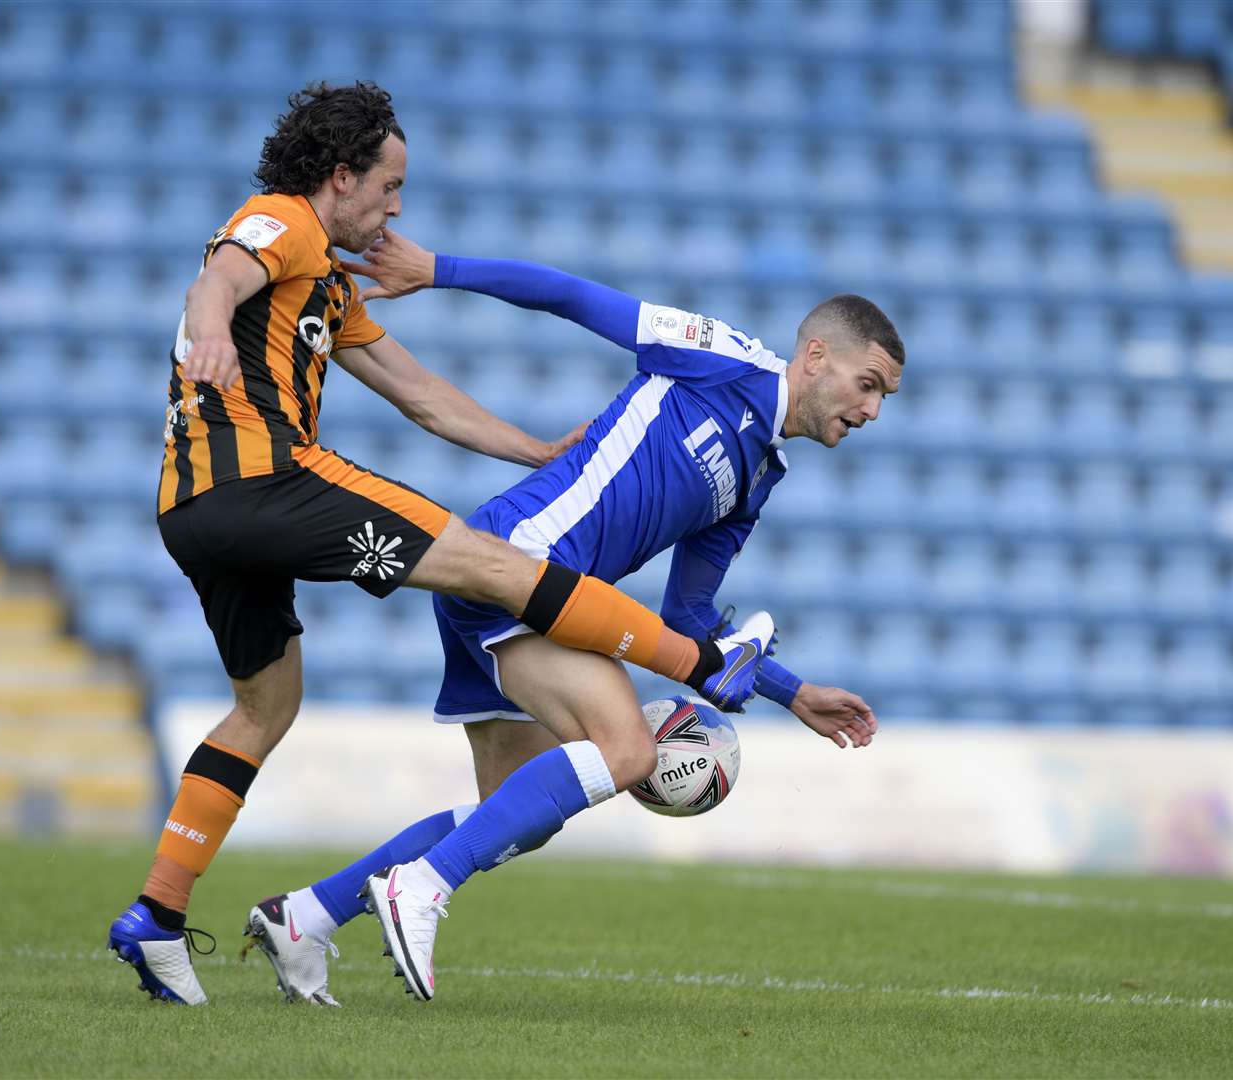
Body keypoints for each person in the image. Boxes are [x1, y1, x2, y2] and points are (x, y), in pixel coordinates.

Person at [107, 82, 775, 1006]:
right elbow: (217, 277)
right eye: (388, 187)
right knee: (499, 565)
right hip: (264, 477)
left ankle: (159, 914)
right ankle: (701, 666)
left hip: (195, 511)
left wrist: (535, 448)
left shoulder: (327, 285)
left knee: (266, 707)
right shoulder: (284, 222)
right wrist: (212, 329)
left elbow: (421, 396)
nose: (395, 208)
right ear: (340, 178)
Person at [241, 229, 900, 1005]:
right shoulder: (724, 358)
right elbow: (573, 296)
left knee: (511, 810)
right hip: (518, 561)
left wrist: (795, 694)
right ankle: (420, 887)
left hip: (527, 588)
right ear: (817, 357)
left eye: (884, 396)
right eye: (869, 383)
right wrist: (438, 271)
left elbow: (687, 616)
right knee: (626, 751)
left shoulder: (758, 477)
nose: (872, 410)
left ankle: (307, 915)